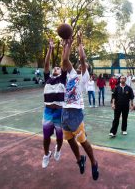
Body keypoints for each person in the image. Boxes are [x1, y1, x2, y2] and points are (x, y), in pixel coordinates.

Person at [61, 31, 99, 180]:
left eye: (85, 65)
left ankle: (94, 162)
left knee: (82, 141)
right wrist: (68, 44)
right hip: (65, 111)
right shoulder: (71, 74)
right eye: (82, 64)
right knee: (69, 140)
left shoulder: (84, 77)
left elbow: (82, 58)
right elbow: (65, 60)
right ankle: (79, 160)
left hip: (76, 113)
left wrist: (79, 42)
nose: (83, 64)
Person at [41, 38, 67, 168]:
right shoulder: (48, 79)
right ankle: (46, 154)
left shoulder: (62, 79)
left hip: (60, 111)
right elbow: (46, 64)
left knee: (60, 137)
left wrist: (63, 47)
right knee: (46, 137)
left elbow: (64, 62)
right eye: (55, 67)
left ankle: (58, 149)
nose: (56, 68)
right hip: (48, 111)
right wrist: (50, 49)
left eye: (58, 68)